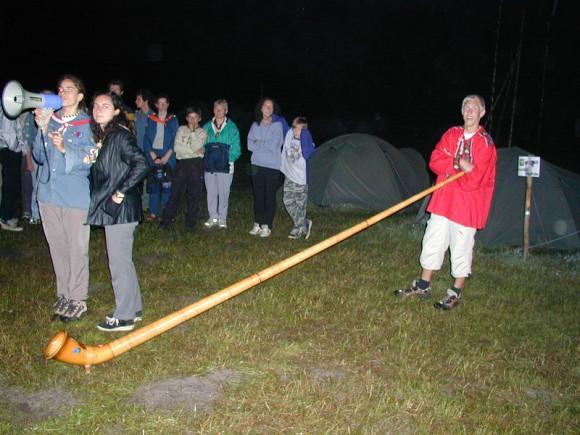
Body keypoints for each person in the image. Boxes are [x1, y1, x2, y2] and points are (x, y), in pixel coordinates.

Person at [394, 94, 497, 310]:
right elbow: (435, 160)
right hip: (443, 201)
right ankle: (423, 285)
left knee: (461, 247)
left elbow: (476, 180)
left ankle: (455, 292)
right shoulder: (452, 134)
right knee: (432, 241)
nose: (469, 111)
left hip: (466, 207)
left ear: (482, 112)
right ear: (462, 111)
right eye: (466, 107)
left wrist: (454, 168)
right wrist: (459, 164)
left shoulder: (485, 144)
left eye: (474, 108)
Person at [32, 74, 95, 321]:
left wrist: (64, 149)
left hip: (74, 196)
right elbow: (39, 156)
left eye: (68, 89)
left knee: (76, 248)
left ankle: (78, 298)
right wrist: (42, 129)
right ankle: (64, 294)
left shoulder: (88, 124)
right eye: (60, 89)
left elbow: (90, 158)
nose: (62, 92)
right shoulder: (52, 120)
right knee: (57, 247)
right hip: (48, 194)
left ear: (79, 96)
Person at [87, 92, 149, 331]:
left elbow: (142, 164)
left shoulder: (119, 136)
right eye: (95, 105)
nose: (98, 109)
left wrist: (120, 192)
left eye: (105, 106)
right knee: (124, 261)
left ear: (115, 111)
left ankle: (124, 317)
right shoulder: (107, 137)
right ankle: (134, 308)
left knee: (118, 263)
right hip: (118, 211)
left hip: (121, 210)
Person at [160, 107, 207, 232]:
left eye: (195, 117)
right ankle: (166, 219)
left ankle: (190, 223)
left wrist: (193, 133)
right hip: (182, 164)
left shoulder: (202, 132)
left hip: (196, 165)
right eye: (190, 117)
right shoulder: (181, 129)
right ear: (186, 118)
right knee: (175, 193)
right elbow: (177, 148)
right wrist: (195, 150)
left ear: (199, 119)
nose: (192, 120)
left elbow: (197, 146)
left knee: (194, 195)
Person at [247, 97, 289, 238]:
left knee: (269, 196)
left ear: (273, 109)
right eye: (266, 106)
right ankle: (258, 223)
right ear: (261, 108)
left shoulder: (277, 126)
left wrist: (259, 143)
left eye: (271, 106)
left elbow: (274, 145)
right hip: (256, 165)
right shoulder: (255, 125)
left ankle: (267, 225)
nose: (268, 108)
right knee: (258, 195)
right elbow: (249, 145)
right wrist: (263, 144)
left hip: (272, 166)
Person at [202, 99, 241, 229]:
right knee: (211, 192)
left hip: (226, 166)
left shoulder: (232, 127)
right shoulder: (207, 126)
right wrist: (204, 155)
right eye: (216, 108)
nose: (218, 111)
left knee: (224, 193)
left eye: (221, 109)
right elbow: (201, 144)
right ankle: (213, 216)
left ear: (226, 110)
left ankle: (222, 218)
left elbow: (237, 148)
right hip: (210, 166)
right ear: (213, 110)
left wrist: (226, 159)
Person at [143, 93, 178, 221]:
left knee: (167, 186)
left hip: (168, 156)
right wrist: (153, 157)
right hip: (153, 156)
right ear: (156, 105)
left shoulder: (173, 120)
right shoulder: (151, 119)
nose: (162, 106)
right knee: (154, 185)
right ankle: (153, 213)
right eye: (160, 103)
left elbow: (175, 139)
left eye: (164, 103)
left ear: (168, 104)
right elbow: (146, 139)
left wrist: (166, 157)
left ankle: (166, 212)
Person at [280, 116, 315, 239]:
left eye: (299, 129)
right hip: (289, 176)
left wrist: (306, 137)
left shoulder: (307, 142)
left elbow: (308, 152)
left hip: (301, 179)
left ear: (305, 131)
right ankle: (303, 223)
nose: (295, 130)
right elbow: (281, 121)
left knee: (300, 205)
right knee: (287, 201)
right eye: (294, 127)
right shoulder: (289, 134)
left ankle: (298, 228)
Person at [0, 105, 26, 231]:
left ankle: (7, 216)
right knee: (10, 184)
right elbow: (8, 133)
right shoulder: (8, 110)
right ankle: (5, 218)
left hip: (8, 150)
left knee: (10, 184)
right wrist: (17, 149)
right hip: (10, 151)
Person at [134, 89, 154, 212]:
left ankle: (145, 205)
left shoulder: (153, 116)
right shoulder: (136, 115)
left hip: (148, 152)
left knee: (147, 179)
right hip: (135, 151)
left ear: (145, 101)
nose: (136, 101)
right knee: (135, 177)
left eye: (139, 99)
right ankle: (135, 203)